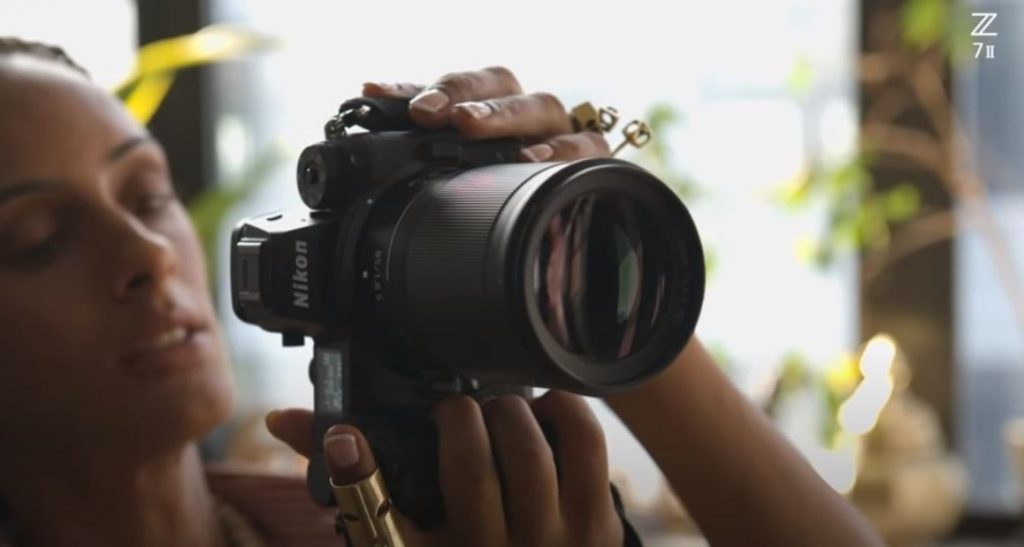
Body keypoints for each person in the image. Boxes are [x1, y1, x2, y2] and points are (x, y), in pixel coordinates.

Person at [0, 38, 885, 547]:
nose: (149, 253)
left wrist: (618, 334)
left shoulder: (377, 519)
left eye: (147, 195)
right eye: (37, 239)